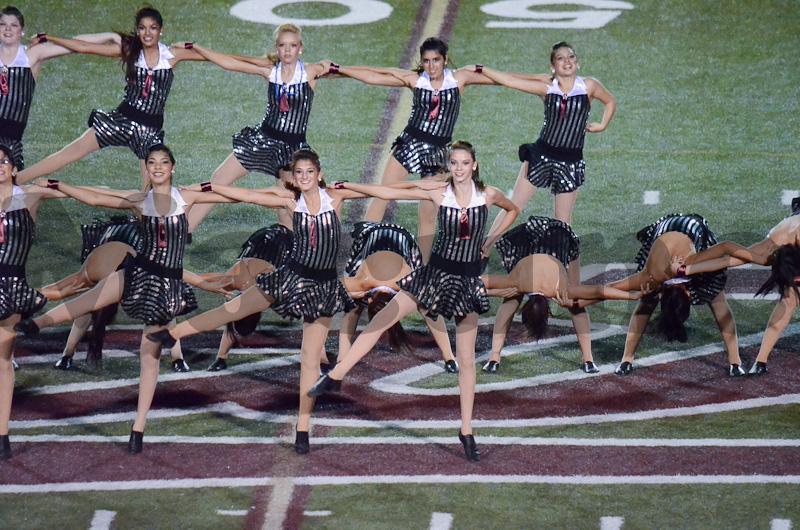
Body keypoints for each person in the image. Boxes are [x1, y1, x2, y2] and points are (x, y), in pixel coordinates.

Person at [146, 149, 448, 454]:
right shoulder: (291, 201)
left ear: (318, 174)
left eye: (308, 172)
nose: (303, 177)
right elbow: (248, 195)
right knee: (232, 309)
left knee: (309, 357)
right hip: (289, 276)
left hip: (321, 288)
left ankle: (302, 429)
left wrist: (425, 188)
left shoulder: (336, 196)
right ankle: (170, 334)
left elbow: (383, 190)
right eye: (298, 173)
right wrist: (210, 188)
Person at [14, 144, 234, 454]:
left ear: (173, 168)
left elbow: (235, 196)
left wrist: (286, 197)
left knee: (149, 356)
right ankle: (37, 323)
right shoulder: (139, 200)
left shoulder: (187, 196)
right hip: (138, 270)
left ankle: (138, 428)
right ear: (147, 169)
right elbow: (95, 197)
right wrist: (56, 185)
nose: (157, 167)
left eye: (164, 162)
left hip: (165, 286)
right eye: (152, 163)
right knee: (90, 299)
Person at [309, 141, 520, 463]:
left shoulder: (488, 194)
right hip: (434, 276)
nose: (459, 168)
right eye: (454, 163)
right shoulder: (439, 193)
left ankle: (466, 430)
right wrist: (349, 186)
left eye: (465, 163)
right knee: (381, 321)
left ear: (474, 165)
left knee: (466, 361)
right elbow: (390, 193)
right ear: (449, 166)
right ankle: (337, 376)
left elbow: (513, 209)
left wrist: (490, 240)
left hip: (465, 283)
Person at [328, 38, 494, 258]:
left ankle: (422, 263)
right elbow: (376, 76)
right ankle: (362, 249)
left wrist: (548, 82)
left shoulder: (458, 79)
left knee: (427, 211)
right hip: (410, 143)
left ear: (445, 59)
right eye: (426, 61)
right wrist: (340, 69)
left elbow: (497, 79)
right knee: (382, 194)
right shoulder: (415, 79)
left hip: (438, 152)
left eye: (436, 60)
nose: (431, 66)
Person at [16, 7, 201, 187]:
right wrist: (47, 37)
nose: (147, 33)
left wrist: (193, 45)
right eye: (142, 28)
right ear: (137, 30)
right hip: (121, 120)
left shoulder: (171, 55)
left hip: (150, 131)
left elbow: (208, 57)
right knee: (72, 152)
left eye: (153, 27)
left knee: (151, 194)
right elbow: (84, 47)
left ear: (161, 30)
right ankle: (17, 179)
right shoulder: (131, 52)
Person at [185, 23, 333, 231]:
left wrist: (335, 67)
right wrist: (199, 48)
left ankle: (299, 246)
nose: (287, 50)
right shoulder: (270, 71)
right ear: (277, 48)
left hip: (292, 149)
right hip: (262, 140)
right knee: (219, 179)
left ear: (301, 48)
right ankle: (185, 231)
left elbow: (344, 72)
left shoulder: (311, 72)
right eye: (282, 45)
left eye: (292, 45)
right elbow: (230, 64)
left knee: (287, 205)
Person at [40, 218, 210, 372]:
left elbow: (166, 271)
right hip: (117, 245)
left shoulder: (98, 273)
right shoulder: (94, 272)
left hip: (135, 245)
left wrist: (58, 292)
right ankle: (178, 359)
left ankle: (66, 356)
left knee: (160, 301)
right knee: (161, 304)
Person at [482, 216, 644, 373]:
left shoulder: (518, 284)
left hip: (555, 238)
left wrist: (497, 292)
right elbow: (598, 291)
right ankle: (588, 361)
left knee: (511, 299)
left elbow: (472, 283)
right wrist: (631, 296)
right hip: (534, 237)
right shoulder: (524, 284)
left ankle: (494, 358)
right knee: (572, 303)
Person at [606, 213, 744, 377]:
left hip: (692, 231)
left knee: (715, 298)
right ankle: (735, 363)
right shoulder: (654, 276)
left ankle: (626, 361)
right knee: (716, 301)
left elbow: (606, 290)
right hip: (669, 234)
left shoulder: (665, 274)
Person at [671, 202, 800, 375]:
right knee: (789, 299)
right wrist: (686, 268)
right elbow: (729, 257)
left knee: (790, 298)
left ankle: (761, 362)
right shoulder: (767, 251)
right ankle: (760, 362)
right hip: (792, 225)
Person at [0, 143, 71, 459]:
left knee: (3, 360)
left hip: (12, 287)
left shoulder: (29, 195)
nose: (0, 165)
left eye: (5, 160)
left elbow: (82, 195)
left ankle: (2, 435)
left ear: (15, 168)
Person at [340, 221, 458, 371]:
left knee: (353, 306)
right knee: (425, 307)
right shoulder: (364, 283)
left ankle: (342, 356)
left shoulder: (362, 283)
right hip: (376, 234)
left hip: (388, 236)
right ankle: (450, 360)